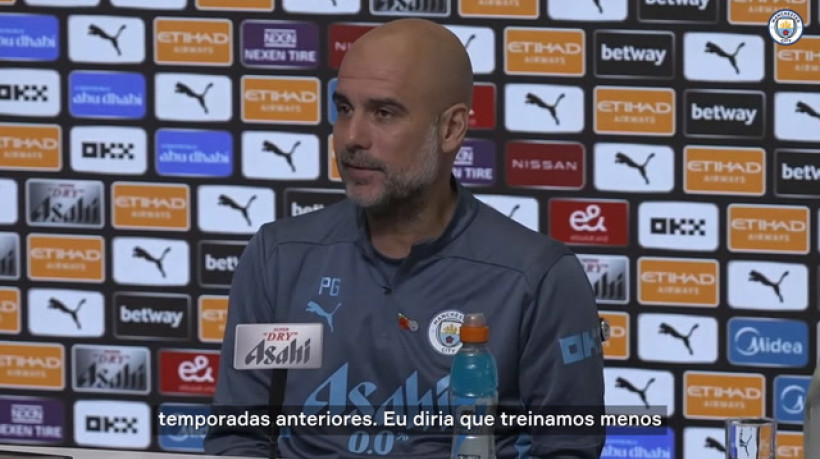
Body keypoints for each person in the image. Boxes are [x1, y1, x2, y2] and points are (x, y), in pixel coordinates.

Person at [204, 18, 605, 458]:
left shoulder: (538, 277)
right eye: (344, 109)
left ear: (451, 129)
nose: (352, 137)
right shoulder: (281, 258)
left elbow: (566, 448)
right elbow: (240, 437)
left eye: (384, 113)